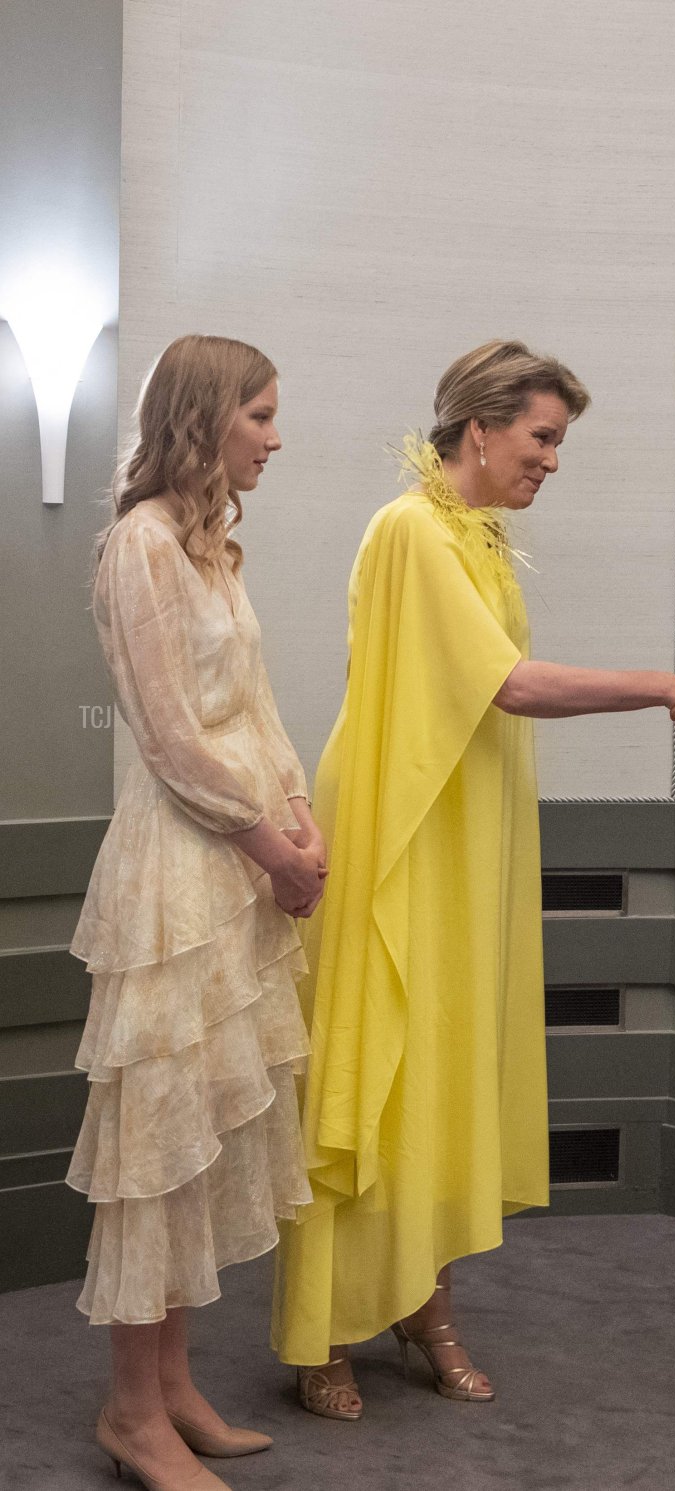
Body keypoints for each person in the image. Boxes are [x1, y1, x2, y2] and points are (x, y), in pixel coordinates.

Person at [270, 339, 675, 1417]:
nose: (552, 462)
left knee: (441, 1076)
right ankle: (323, 1330)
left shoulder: (475, 536)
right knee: (377, 1078)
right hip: (398, 836)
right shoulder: (411, 529)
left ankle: (422, 1303)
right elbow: (511, 688)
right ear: (479, 430)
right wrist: (665, 684)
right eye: (543, 438)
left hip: (463, 839)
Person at [68, 335, 326, 1491]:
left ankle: (172, 1389)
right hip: (179, 876)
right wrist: (274, 842)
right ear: (205, 417)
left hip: (234, 868)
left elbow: (254, 706)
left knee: (197, 1145)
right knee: (157, 1154)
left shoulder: (213, 545)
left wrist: (298, 812)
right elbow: (170, 738)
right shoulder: (140, 546)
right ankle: (132, 1411)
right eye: (261, 415)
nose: (276, 436)